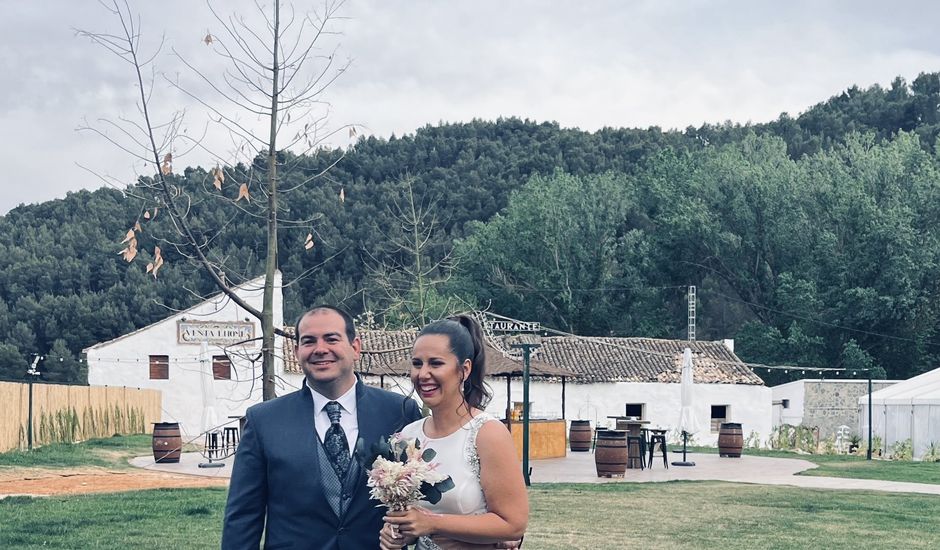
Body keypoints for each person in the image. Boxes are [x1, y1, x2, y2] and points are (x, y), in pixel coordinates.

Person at [222, 305, 422, 549]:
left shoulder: (399, 411)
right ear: (296, 351)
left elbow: (421, 503)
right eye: (308, 341)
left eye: (331, 339)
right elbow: (243, 515)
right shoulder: (263, 420)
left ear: (355, 347)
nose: (320, 349)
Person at [379, 315, 529, 550]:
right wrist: (397, 531)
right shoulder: (407, 437)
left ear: (464, 369)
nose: (423, 374)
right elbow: (412, 517)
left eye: (436, 363)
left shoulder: (487, 434)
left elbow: (513, 525)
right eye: (417, 363)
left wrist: (432, 523)